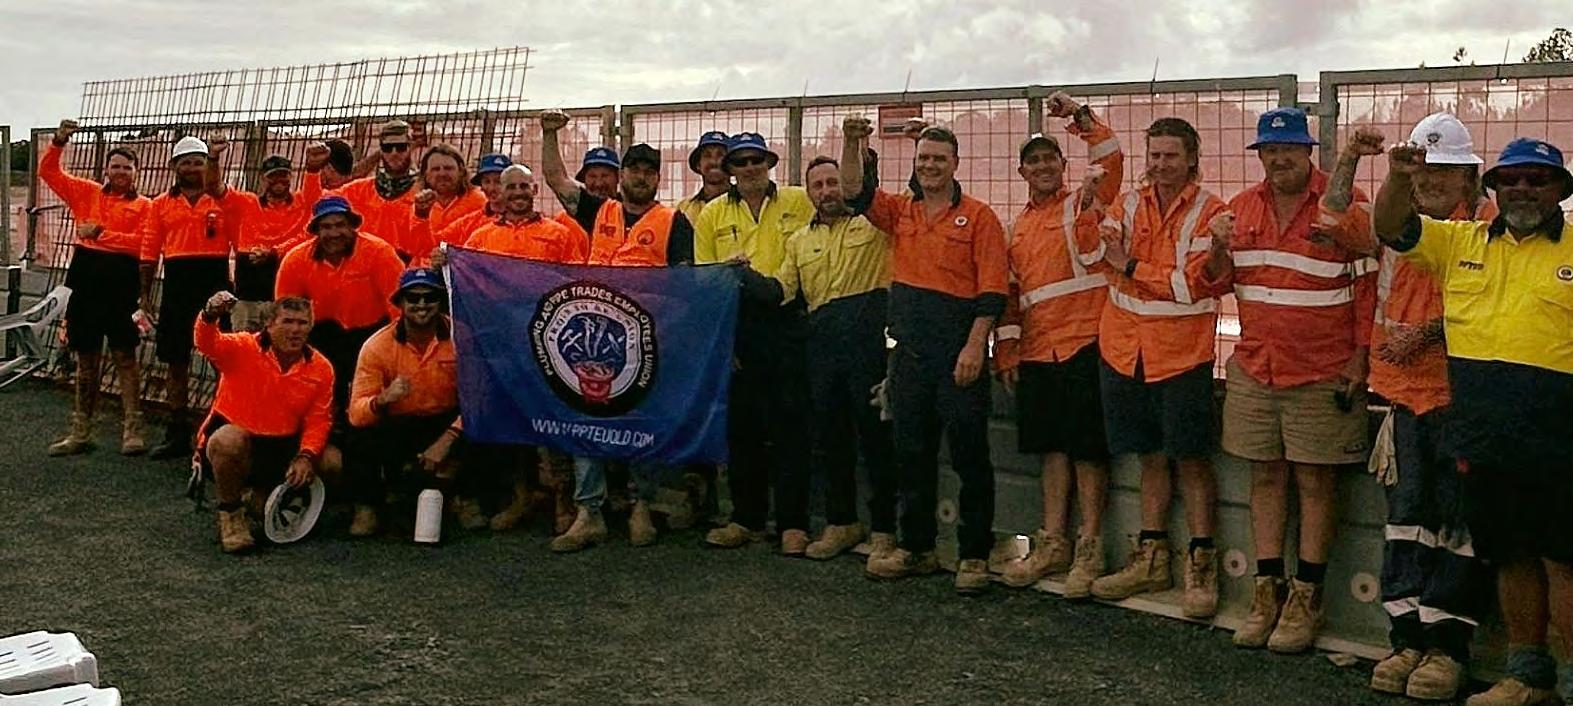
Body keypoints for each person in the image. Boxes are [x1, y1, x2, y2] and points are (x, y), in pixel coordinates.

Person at [1372, 136, 1573, 706]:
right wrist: (1399, 177)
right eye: (1511, 179)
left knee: (1564, 565)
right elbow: (1391, 227)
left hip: (1560, 443)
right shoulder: (1459, 241)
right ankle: (1528, 679)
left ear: (1560, 190)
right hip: (1484, 440)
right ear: (1493, 188)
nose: (1523, 189)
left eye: (1537, 179)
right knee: (1511, 558)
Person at [1320, 114, 1494, 701]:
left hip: (1464, 401)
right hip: (1403, 398)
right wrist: (1350, 157)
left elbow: (1498, 300)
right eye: (1422, 168)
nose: (1431, 179)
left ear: (1469, 175)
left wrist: (1428, 333)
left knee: (1460, 527)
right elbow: (1333, 217)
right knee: (1407, 520)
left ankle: (1448, 648)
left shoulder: (1489, 225)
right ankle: (1407, 639)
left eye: (1444, 169)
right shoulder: (1395, 222)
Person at [1200, 107, 1377, 651]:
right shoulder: (1239, 209)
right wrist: (1217, 245)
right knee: (1266, 478)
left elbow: (1368, 286)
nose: (1279, 159)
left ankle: (1307, 599)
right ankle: (1266, 592)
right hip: (1258, 368)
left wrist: (1360, 358)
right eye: (1270, 151)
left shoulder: (1344, 205)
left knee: (1317, 483)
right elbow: (1214, 283)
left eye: (1289, 150)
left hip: (1322, 370)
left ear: (1307, 152)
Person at [839, 117, 1009, 594]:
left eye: (939, 159)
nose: (930, 166)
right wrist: (852, 142)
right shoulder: (901, 211)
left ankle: (974, 555)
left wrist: (975, 346)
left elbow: (993, 291)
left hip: (959, 356)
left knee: (970, 456)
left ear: (955, 163)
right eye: (923, 159)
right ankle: (917, 548)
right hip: (909, 357)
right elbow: (854, 191)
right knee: (911, 455)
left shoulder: (979, 217)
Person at [1078, 117, 1227, 618]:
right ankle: (1152, 556)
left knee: (1191, 460)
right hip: (1125, 350)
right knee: (1150, 457)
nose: (1161, 164)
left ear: (1191, 158)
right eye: (1155, 155)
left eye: (1171, 155)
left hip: (1182, 355)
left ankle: (1201, 563)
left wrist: (1131, 266)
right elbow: (1096, 254)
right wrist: (1088, 209)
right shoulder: (1128, 203)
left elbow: (1192, 285)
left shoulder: (1211, 212)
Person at [537, 110, 696, 552]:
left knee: (641, 422)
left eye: (649, 171)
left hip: (644, 342)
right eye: (634, 169)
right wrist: (550, 134)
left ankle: (641, 504)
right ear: (622, 175)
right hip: (594, 338)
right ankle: (589, 512)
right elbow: (556, 179)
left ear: (658, 179)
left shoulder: (674, 222)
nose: (640, 178)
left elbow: (685, 287)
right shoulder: (598, 210)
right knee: (587, 420)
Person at [992, 92, 1124, 595]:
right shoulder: (1017, 228)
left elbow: (1111, 158)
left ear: (1064, 166)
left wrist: (1080, 117)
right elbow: (1011, 297)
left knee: (1088, 451)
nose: (1043, 167)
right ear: (1022, 172)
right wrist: (1008, 351)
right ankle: (1053, 543)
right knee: (1051, 450)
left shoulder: (1084, 203)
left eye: (1051, 159)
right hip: (1038, 351)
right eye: (1034, 162)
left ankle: (1089, 546)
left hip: (1086, 343)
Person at [735, 154, 897, 559]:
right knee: (832, 437)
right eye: (818, 186)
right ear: (808, 194)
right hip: (821, 345)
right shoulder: (799, 241)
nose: (827, 192)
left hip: (866, 343)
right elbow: (780, 292)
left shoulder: (874, 226)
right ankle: (842, 522)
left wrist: (858, 150)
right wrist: (741, 273)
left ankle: (884, 529)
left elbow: (873, 187)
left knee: (876, 439)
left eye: (833, 182)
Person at [692, 133, 814, 551]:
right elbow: (704, 282)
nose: (749, 168)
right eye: (740, 162)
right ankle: (746, 519)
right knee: (743, 430)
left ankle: (794, 524)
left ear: (769, 163)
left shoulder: (799, 201)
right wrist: (723, 342)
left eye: (756, 160)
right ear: (729, 170)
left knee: (791, 428)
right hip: (739, 325)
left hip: (787, 322)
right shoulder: (711, 215)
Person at [460, 163, 587, 535]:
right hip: (500, 344)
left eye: (523, 186)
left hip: (547, 343)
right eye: (510, 186)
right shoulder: (480, 237)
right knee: (512, 422)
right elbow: (466, 283)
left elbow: (575, 284)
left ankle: (565, 499)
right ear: (499, 193)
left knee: (553, 420)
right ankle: (521, 496)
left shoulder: (560, 234)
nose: (517, 193)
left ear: (535, 190)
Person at [193, 292, 339, 554]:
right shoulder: (242, 347)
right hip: (240, 443)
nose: (295, 329)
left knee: (331, 461)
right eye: (287, 321)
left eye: (302, 323)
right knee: (227, 441)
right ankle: (230, 514)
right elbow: (207, 343)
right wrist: (209, 315)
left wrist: (306, 456)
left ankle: (263, 497)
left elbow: (319, 419)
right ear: (269, 325)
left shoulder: (322, 368)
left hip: (282, 446)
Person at [41, 119, 154, 457]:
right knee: (86, 359)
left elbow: (143, 245)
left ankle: (132, 430)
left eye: (127, 167)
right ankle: (81, 431)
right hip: (86, 280)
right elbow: (49, 173)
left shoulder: (146, 206)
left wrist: (101, 234)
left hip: (122, 284)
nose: (121, 172)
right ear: (106, 169)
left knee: (125, 357)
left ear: (136, 172)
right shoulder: (86, 192)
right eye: (115, 166)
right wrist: (59, 141)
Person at [346, 268, 468, 537]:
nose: (422, 305)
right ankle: (367, 507)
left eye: (430, 297)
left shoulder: (463, 338)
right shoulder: (376, 346)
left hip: (450, 421)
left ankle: (468, 497)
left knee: (488, 427)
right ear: (400, 303)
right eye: (413, 298)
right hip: (400, 422)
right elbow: (356, 413)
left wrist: (448, 438)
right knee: (359, 438)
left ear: (441, 302)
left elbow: (481, 398)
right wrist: (381, 400)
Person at [139, 134, 238, 460]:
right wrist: (145, 295)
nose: (193, 168)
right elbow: (149, 251)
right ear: (174, 166)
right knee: (175, 359)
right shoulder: (160, 204)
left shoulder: (222, 199)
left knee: (223, 359)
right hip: (177, 285)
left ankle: (222, 428)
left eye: (198, 162)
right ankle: (177, 432)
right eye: (186, 162)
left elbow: (241, 240)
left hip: (215, 281)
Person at [274, 195, 405, 423]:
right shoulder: (295, 260)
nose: (334, 233)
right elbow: (285, 317)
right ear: (316, 231)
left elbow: (400, 311)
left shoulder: (379, 252)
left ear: (352, 226)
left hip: (372, 336)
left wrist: (396, 355)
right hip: (321, 337)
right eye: (326, 227)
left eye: (340, 225)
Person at [219, 145, 329, 332]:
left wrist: (312, 169)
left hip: (285, 298)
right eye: (273, 176)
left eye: (283, 174)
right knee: (245, 345)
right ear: (263, 178)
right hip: (248, 297)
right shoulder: (247, 203)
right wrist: (214, 157)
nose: (279, 180)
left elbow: (313, 200)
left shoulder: (302, 203)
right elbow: (216, 188)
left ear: (290, 177)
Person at [339, 120, 420, 260]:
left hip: (411, 269)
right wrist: (313, 172)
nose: (394, 153)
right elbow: (317, 200)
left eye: (401, 147)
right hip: (367, 265)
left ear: (410, 147)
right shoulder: (358, 190)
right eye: (387, 148)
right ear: (380, 150)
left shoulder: (424, 190)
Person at [415, 153, 511, 253]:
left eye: (498, 182)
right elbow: (434, 246)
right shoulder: (469, 222)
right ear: (481, 186)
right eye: (487, 181)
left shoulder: (521, 219)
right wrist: (421, 217)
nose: (492, 188)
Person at [408, 144, 486, 263]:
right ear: (425, 174)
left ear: (461, 171)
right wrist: (421, 216)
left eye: (448, 168)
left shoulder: (479, 200)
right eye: (436, 169)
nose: (442, 174)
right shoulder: (419, 205)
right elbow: (420, 249)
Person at [553, 146, 621, 243]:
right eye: (592, 176)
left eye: (605, 176)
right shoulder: (564, 221)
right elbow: (555, 177)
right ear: (583, 179)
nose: (598, 184)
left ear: (618, 177)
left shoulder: (629, 210)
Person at [676, 131, 731, 224]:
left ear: (731, 164)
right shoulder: (682, 209)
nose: (713, 161)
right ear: (698, 165)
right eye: (707, 155)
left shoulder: (746, 204)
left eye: (720, 155)